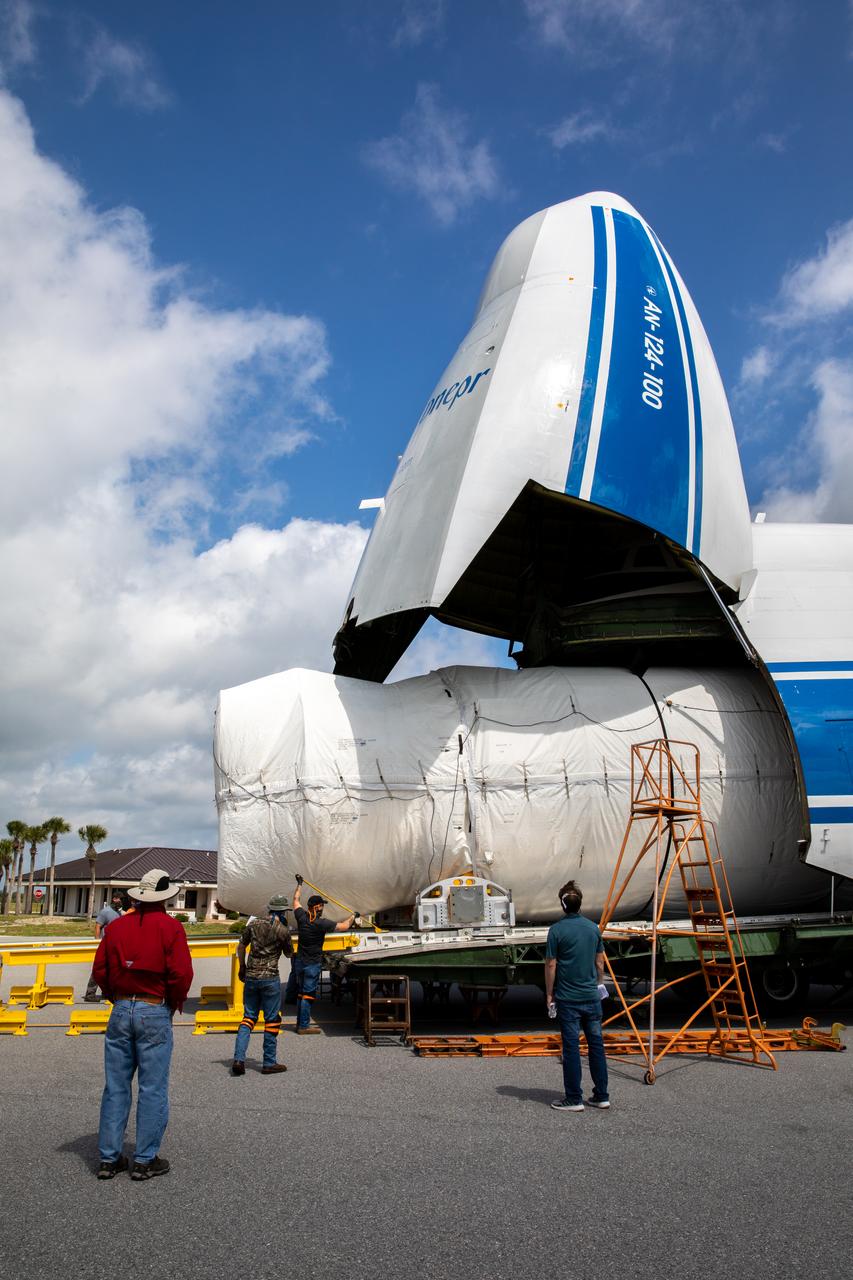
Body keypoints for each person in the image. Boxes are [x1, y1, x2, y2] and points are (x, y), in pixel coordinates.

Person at [92, 869, 193, 1180]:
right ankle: (144, 1159)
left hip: (122, 1007)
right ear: (166, 897)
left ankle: (109, 1158)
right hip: (153, 1007)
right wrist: (172, 1003)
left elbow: (100, 970)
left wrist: (116, 998)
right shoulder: (171, 927)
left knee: (117, 1086)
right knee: (152, 1087)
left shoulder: (117, 928)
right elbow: (181, 974)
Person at [544, 879, 610, 1112]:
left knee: (571, 1048)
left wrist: (550, 994)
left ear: (563, 906)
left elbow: (551, 965)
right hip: (591, 997)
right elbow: (600, 963)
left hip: (568, 999)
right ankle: (601, 1095)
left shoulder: (557, 930)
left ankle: (574, 1098)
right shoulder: (593, 928)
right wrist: (599, 985)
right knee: (596, 1045)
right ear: (580, 904)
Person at [231, 894, 292, 1076]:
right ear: (282, 912)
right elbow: (289, 954)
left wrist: (242, 966)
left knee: (248, 1018)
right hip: (270, 978)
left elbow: (241, 946)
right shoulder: (283, 930)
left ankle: (238, 1059)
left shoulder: (253, 924)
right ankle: (269, 1063)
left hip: (251, 977)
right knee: (272, 1020)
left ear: (269, 908)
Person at [292, 875, 357, 1034]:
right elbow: (344, 926)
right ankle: (303, 1026)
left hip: (300, 961)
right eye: (322, 906)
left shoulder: (301, 917)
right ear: (318, 907)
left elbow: (295, 899)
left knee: (301, 994)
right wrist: (354, 916)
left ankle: (300, 1023)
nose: (323, 908)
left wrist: (299, 884)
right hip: (312, 963)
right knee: (307, 995)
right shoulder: (322, 923)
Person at [84, 889, 127, 1002]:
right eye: (119, 899)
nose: (121, 901)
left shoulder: (121, 913)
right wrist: (97, 942)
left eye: (122, 900)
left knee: (112, 970)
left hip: (115, 946)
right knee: (99, 969)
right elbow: (98, 926)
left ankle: (106, 993)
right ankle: (90, 994)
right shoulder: (105, 912)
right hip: (104, 945)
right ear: (114, 899)